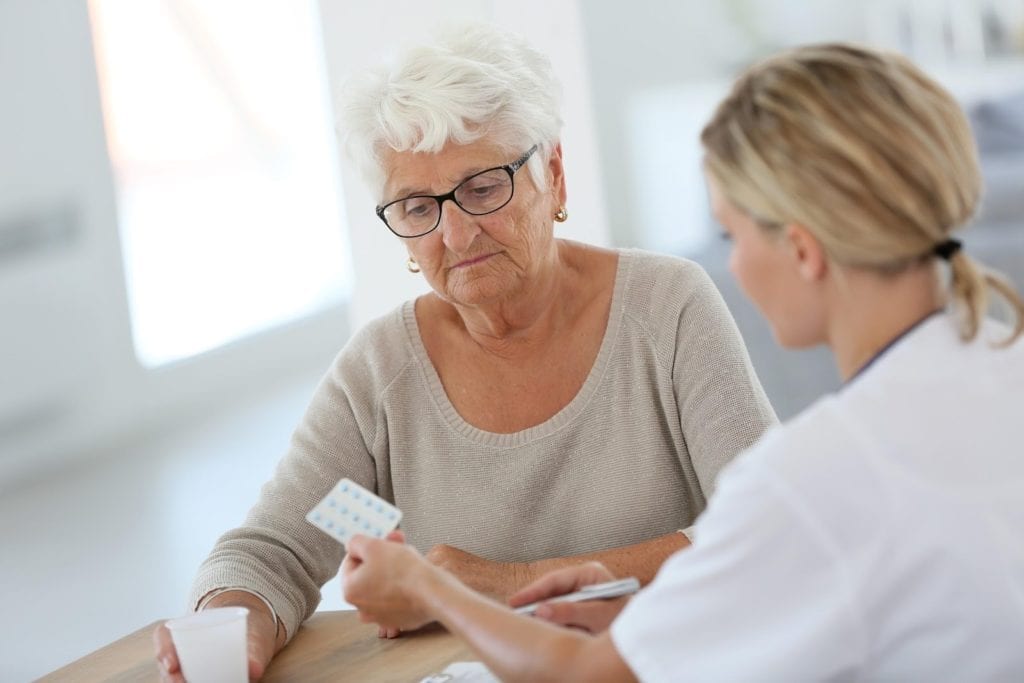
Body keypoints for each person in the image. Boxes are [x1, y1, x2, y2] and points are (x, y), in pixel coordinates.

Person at [340, 43, 1024, 681]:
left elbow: (586, 674)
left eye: (733, 232)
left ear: (804, 250)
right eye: (420, 206)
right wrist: (660, 614)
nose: (730, 261)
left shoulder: (810, 474)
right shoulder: (1001, 369)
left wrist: (429, 585)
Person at [153, 24, 776, 681]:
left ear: (554, 175)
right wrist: (238, 624)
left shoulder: (666, 308)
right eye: (419, 206)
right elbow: (273, 551)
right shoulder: (382, 373)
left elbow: (769, 526)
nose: (455, 233)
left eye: (483, 189)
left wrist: (505, 581)